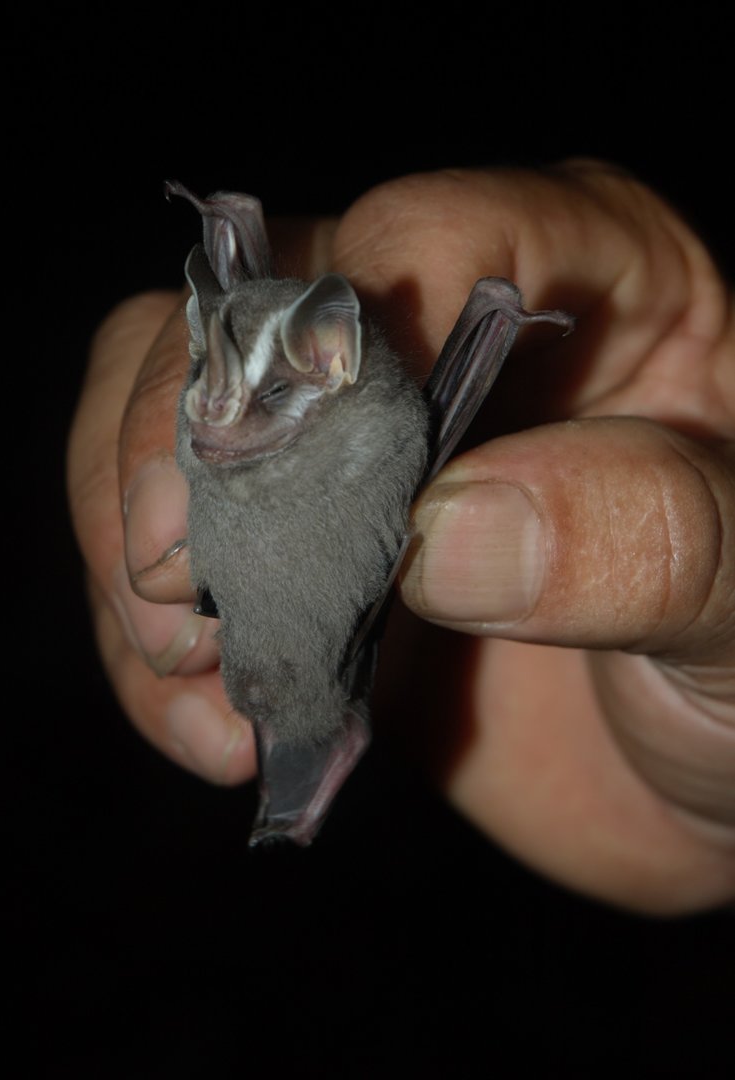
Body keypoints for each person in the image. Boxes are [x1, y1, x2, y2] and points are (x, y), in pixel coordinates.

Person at [67, 160, 735, 914]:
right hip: (276, 617)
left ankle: (326, 744)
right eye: (206, 383)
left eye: (268, 395)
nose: (210, 417)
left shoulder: (370, 435)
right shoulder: (217, 420)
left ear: (331, 361)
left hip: (325, 611)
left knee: (301, 687)